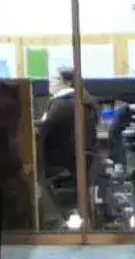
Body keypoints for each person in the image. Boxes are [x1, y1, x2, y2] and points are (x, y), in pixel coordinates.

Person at [36, 67, 96, 226]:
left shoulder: (61, 105)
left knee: (32, 174)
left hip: (61, 164)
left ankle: (52, 221)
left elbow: (43, 131)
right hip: (77, 162)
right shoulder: (82, 101)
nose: (50, 84)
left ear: (67, 82)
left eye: (54, 80)